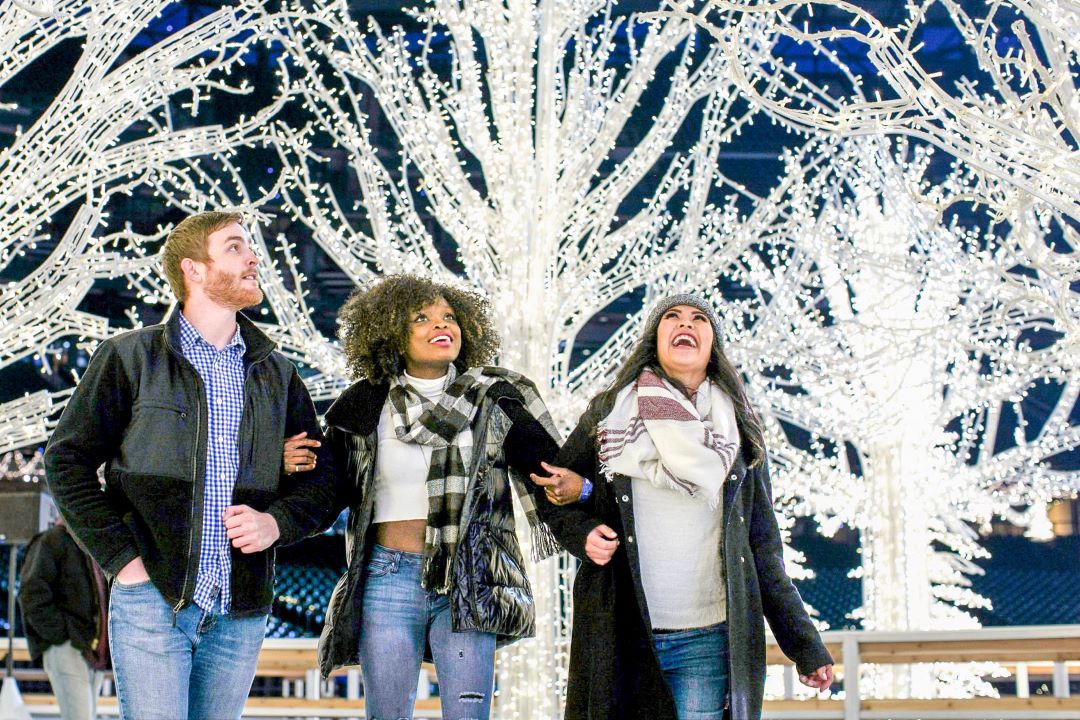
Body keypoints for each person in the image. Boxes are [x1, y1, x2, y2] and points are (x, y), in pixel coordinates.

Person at [43, 210, 336, 720]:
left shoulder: (278, 374)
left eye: (250, 249)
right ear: (193, 270)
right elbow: (66, 461)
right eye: (234, 248)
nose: (252, 259)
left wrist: (276, 523)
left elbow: (323, 482)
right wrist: (124, 561)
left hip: (240, 610)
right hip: (152, 601)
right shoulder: (129, 358)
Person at [284, 274, 581, 720]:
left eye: (448, 315)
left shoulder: (496, 398)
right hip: (388, 577)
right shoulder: (363, 405)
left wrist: (583, 503)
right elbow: (326, 491)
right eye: (420, 317)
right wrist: (282, 473)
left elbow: (553, 477)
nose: (440, 324)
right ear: (390, 333)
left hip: (472, 574)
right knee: (387, 714)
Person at [534, 293, 834, 720]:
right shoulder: (612, 413)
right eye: (671, 317)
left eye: (699, 319)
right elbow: (553, 489)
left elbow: (763, 548)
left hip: (707, 640)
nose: (685, 324)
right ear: (654, 339)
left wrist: (804, 645)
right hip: (624, 630)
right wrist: (581, 534)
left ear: (713, 344)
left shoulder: (739, 428)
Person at [18, 516, 109, 720]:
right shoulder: (53, 540)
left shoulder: (90, 544)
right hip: (70, 646)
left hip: (91, 650)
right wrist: (62, 636)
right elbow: (31, 593)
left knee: (85, 716)